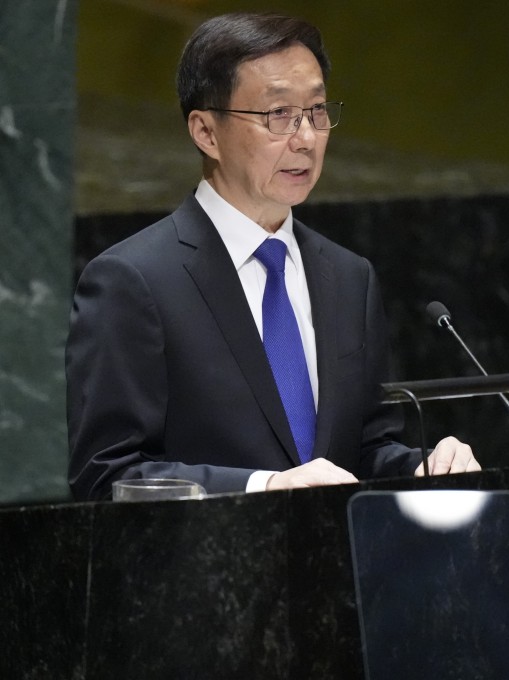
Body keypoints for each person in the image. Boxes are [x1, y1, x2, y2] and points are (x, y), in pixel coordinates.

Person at [66, 12, 479, 501]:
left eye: (318, 111)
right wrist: (264, 487)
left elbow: (366, 448)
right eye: (277, 114)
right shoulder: (134, 280)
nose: (305, 137)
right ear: (206, 132)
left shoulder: (348, 277)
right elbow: (106, 475)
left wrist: (420, 466)